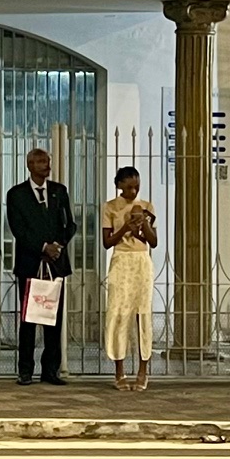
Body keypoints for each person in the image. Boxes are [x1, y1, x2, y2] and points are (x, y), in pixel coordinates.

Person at [6, 146, 77, 386]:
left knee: (53, 319)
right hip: (30, 263)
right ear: (29, 165)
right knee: (28, 319)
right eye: (40, 162)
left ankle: (51, 370)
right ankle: (25, 370)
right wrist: (42, 246)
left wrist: (57, 245)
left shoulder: (59, 191)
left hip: (55, 263)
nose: (46, 166)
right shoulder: (16, 194)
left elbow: (70, 224)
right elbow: (18, 229)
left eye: (47, 161)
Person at [102, 165, 157, 391]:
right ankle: (119, 370)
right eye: (128, 188)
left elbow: (152, 241)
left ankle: (143, 370)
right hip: (121, 261)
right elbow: (107, 242)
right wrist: (125, 225)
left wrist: (141, 223)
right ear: (119, 186)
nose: (133, 192)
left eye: (136, 187)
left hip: (141, 261)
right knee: (119, 313)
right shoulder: (110, 207)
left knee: (142, 313)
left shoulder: (146, 207)